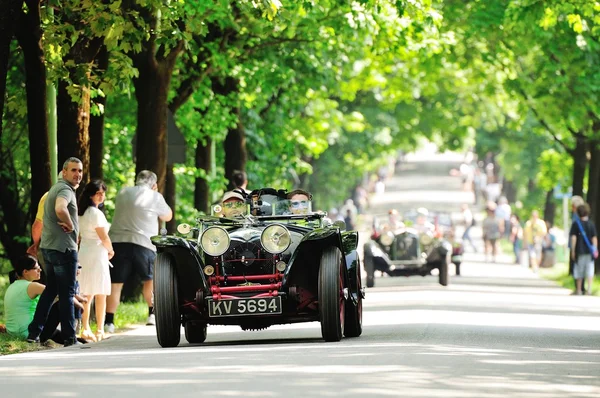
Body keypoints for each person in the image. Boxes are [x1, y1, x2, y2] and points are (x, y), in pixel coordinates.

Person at [105, 170, 172, 333]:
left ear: (137, 180)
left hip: (118, 242)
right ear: (154, 184)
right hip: (144, 243)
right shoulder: (155, 196)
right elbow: (167, 216)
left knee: (115, 285)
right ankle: (152, 314)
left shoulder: (122, 192)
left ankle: (109, 322)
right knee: (149, 280)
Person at [27, 157, 83, 346]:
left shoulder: (52, 190)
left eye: (80, 171)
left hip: (48, 249)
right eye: (74, 170)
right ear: (64, 172)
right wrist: (70, 224)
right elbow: (60, 208)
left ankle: (34, 332)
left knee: (51, 290)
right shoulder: (65, 189)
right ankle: (69, 337)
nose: (78, 174)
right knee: (67, 293)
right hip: (63, 250)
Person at [77, 180, 114, 342]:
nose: (101, 196)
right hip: (97, 254)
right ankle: (98, 329)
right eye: (98, 193)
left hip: (85, 252)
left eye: (103, 193)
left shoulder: (82, 213)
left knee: (87, 291)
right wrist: (111, 250)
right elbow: (103, 236)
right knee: (99, 293)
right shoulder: (95, 213)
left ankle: (86, 327)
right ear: (91, 194)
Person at [4, 255, 45, 339]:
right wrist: (80, 303)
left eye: (39, 267)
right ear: (25, 272)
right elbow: (62, 295)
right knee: (65, 302)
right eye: (36, 268)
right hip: (28, 332)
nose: (40, 270)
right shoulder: (32, 286)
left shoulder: (12, 286)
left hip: (12, 332)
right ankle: (70, 336)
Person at [569, 204, 598, 295]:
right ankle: (589, 290)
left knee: (579, 269)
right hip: (589, 252)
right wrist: (595, 249)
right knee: (589, 269)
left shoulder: (576, 224)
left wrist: (573, 250)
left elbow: (574, 238)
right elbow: (594, 238)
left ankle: (579, 289)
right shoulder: (591, 224)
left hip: (579, 251)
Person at [569, 195, 586, 293]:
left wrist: (573, 247)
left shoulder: (577, 217)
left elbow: (574, 234)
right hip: (583, 246)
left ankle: (579, 288)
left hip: (578, 245)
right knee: (582, 267)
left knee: (578, 266)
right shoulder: (583, 216)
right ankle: (580, 288)